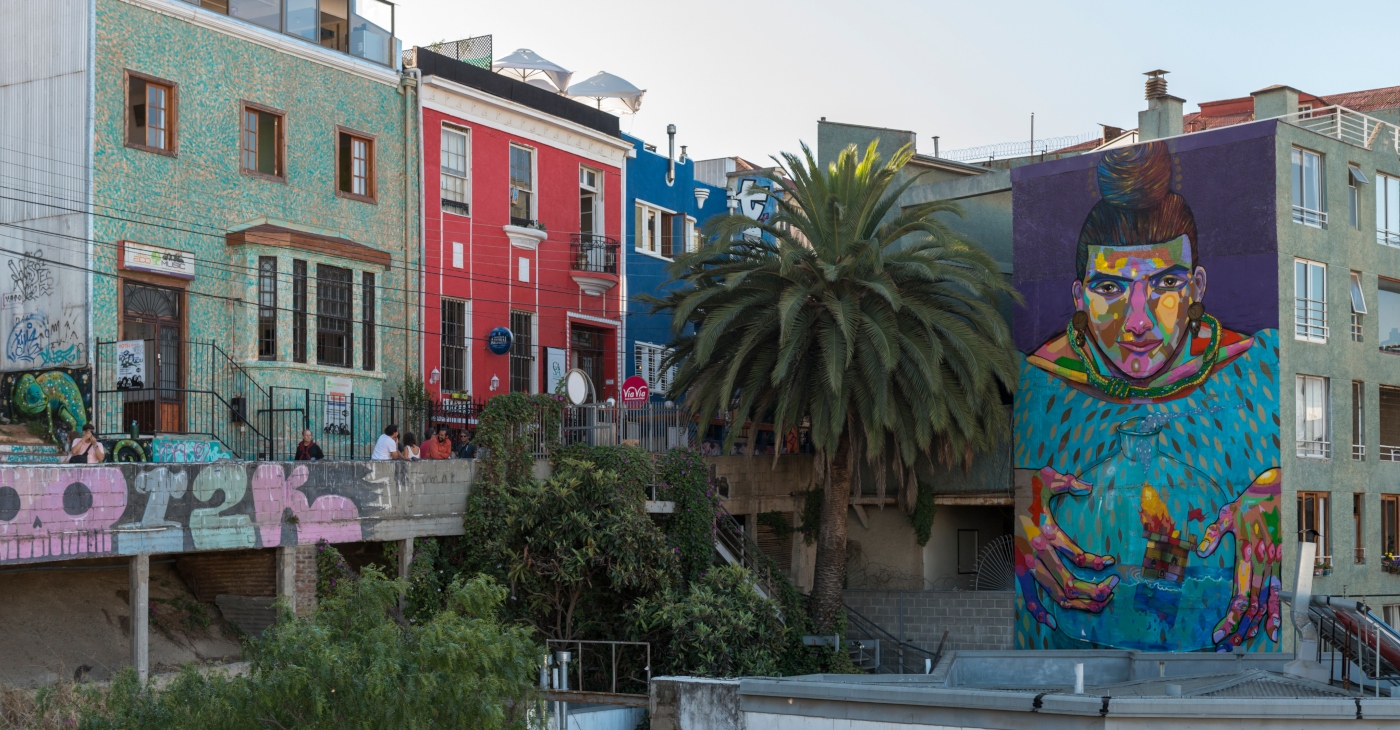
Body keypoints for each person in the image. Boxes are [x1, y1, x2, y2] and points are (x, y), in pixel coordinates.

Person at [1015, 141, 1281, 654]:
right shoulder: (1043, 384)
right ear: (1078, 296)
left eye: (1164, 283)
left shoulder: (1257, 368)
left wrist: (1278, 487)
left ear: (1197, 286)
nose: (1137, 322)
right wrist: (1022, 494)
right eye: (1110, 289)